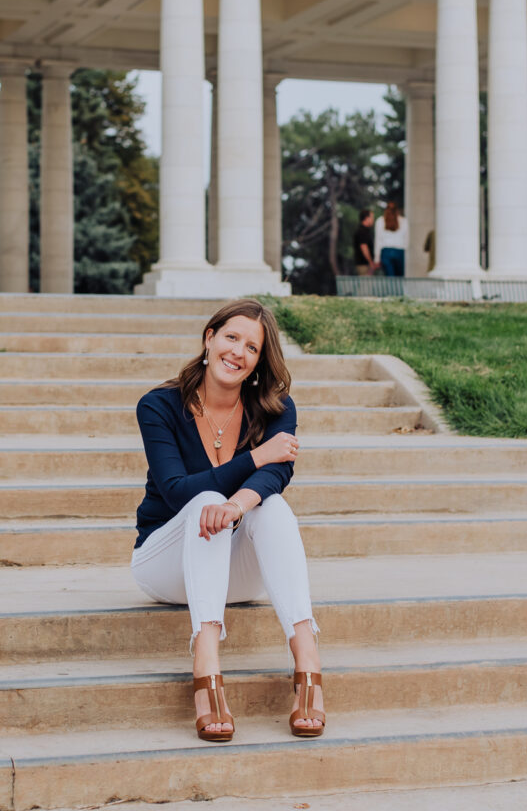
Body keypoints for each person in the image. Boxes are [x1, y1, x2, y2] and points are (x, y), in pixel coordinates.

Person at [132, 299, 325, 744]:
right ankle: (207, 664)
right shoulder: (158, 406)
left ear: (259, 360)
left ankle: (307, 658)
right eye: (231, 338)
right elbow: (177, 490)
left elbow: (279, 474)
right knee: (204, 500)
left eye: (252, 347)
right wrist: (257, 456)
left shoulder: (275, 408)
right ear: (209, 338)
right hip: (164, 565)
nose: (238, 352)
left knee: (270, 506)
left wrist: (237, 506)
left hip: (234, 570)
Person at [374, 201, 408, 277]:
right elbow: (406, 240)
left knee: (390, 279)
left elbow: (378, 241)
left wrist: (377, 258)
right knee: (399, 279)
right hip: (399, 251)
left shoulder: (380, 221)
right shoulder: (404, 221)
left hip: (386, 252)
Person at [354, 208, 377, 275]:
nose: (373, 220)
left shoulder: (365, 231)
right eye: (372, 217)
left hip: (365, 264)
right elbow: (364, 247)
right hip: (364, 265)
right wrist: (370, 262)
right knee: (366, 284)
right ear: (367, 218)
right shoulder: (362, 232)